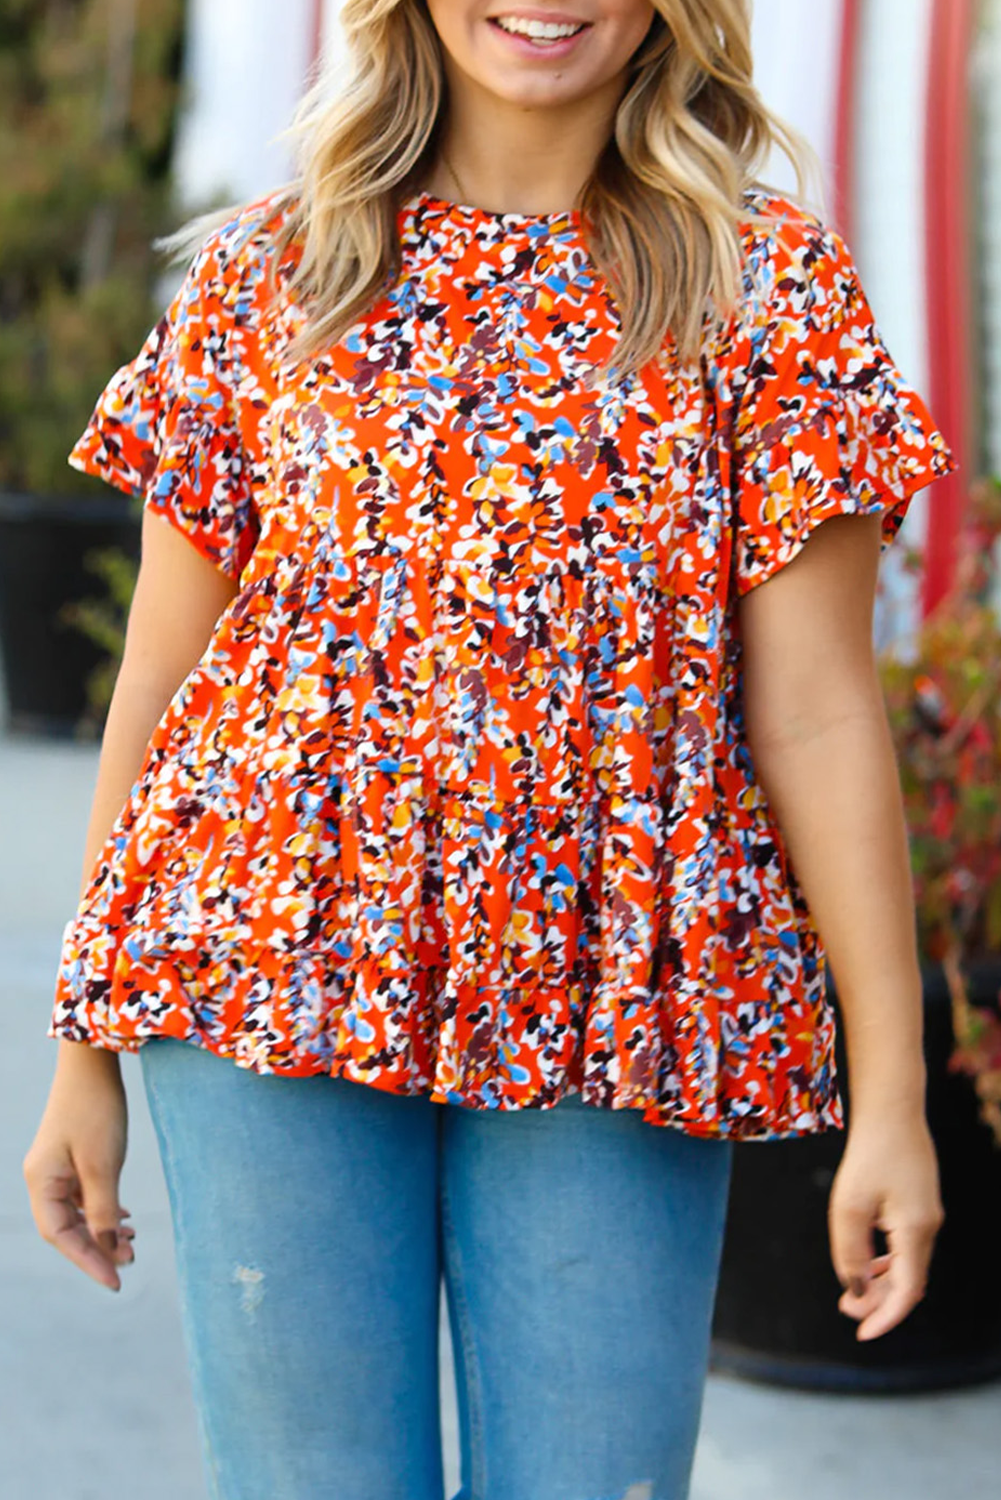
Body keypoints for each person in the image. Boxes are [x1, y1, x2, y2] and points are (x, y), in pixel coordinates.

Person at [24, 2, 955, 1497]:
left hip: (623, 993)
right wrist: (83, 1047)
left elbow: (819, 713)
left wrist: (894, 1097)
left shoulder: (767, 287)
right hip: (263, 963)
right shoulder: (271, 273)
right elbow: (163, 679)